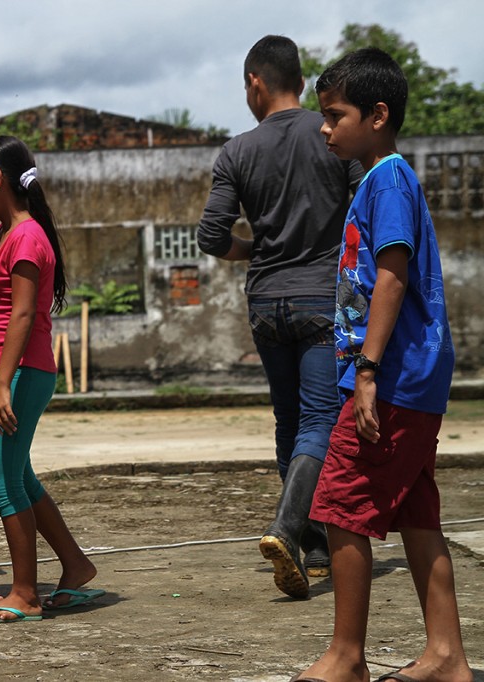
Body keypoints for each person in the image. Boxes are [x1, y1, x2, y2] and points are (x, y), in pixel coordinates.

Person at [294, 48, 471, 682]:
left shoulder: (388, 180)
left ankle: (347, 657)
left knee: (339, 504)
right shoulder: (378, 180)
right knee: (417, 512)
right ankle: (447, 656)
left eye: (334, 115)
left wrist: (366, 370)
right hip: (408, 375)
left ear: (377, 115)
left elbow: (392, 274)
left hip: (391, 376)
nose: (324, 128)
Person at [196, 34, 363, 600]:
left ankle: (314, 546)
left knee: (289, 421)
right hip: (322, 299)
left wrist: (256, 250)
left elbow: (212, 236)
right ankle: (290, 531)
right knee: (320, 420)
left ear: (254, 83)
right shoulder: (333, 135)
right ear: (301, 79)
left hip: (266, 301)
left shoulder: (237, 151)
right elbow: (364, 209)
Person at [0, 136, 104, 623]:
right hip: (4, 367)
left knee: (0, 481)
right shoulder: (5, 233)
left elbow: (23, 314)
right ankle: (76, 565)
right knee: (19, 474)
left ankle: (24, 593)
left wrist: (3, 383)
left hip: (21, 372)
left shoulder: (26, 236)